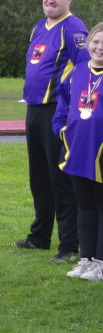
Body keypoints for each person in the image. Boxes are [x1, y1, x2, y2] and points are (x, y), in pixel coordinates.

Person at [8, 0, 88, 264]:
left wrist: (73, 114)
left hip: (57, 113)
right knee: (39, 179)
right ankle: (39, 237)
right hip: (33, 111)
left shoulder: (74, 28)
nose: (50, 0)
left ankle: (69, 245)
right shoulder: (38, 28)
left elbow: (84, 71)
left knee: (60, 180)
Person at [53, 22, 103, 281]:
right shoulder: (77, 72)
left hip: (101, 151)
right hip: (77, 149)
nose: (99, 47)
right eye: (96, 42)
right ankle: (86, 259)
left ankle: (101, 263)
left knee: (101, 204)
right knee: (83, 204)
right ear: (89, 43)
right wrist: (61, 130)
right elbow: (63, 103)